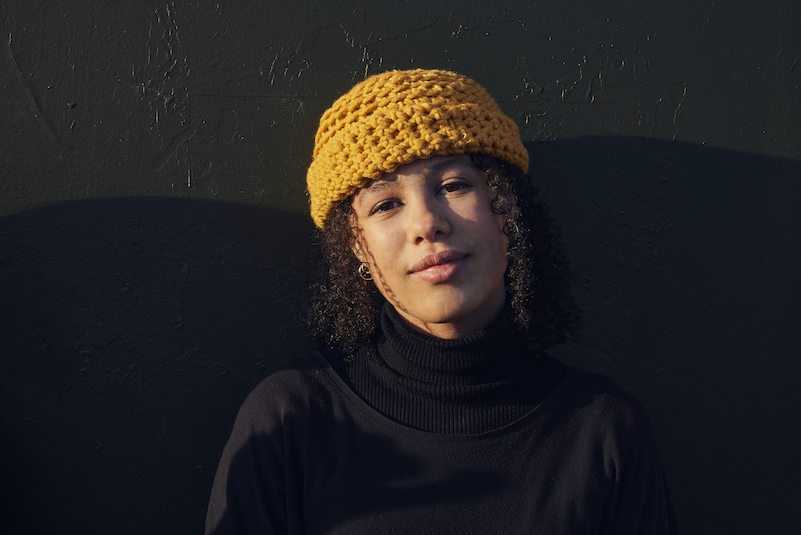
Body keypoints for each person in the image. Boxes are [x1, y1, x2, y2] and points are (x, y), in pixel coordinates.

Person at [205, 69, 677, 534]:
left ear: (506, 207)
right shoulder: (289, 419)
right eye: (386, 204)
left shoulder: (604, 433)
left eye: (452, 185)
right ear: (356, 248)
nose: (426, 223)